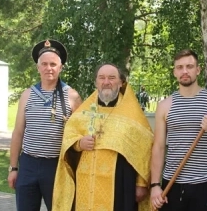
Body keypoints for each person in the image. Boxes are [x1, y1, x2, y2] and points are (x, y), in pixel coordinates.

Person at [52, 63, 153, 211]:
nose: (106, 82)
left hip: (119, 184)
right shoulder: (84, 111)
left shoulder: (132, 114)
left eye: (112, 78)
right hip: (85, 181)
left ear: (121, 82)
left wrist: (141, 183)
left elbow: (144, 148)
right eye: (102, 78)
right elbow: (69, 137)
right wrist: (79, 143)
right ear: (96, 82)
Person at [150, 49, 207, 211]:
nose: (185, 71)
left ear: (198, 70)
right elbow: (158, 147)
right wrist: (155, 185)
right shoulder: (165, 106)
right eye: (180, 67)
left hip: (204, 184)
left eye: (189, 66)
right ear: (174, 72)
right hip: (172, 183)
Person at [7, 39, 82, 211]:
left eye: (53, 64)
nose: (49, 68)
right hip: (28, 165)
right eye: (45, 64)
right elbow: (18, 133)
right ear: (38, 67)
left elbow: (79, 136)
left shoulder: (72, 96)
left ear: (60, 67)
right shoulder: (27, 95)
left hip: (56, 167)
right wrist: (13, 168)